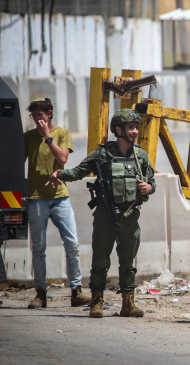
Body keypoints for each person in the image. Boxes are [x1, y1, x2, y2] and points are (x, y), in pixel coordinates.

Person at [48, 109, 155, 318]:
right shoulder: (102, 154)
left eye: (136, 127)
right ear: (118, 129)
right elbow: (79, 171)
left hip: (130, 215)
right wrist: (61, 174)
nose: (134, 131)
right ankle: (96, 302)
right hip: (105, 215)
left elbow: (152, 182)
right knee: (100, 261)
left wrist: (148, 188)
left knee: (128, 262)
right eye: (130, 127)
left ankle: (128, 304)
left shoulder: (140, 155)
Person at [23, 98, 90, 309]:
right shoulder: (28, 137)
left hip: (60, 197)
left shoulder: (61, 134)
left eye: (39, 116)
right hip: (36, 198)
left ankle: (76, 291)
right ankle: (40, 293)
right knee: (38, 248)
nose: (36, 120)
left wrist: (47, 137)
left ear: (49, 114)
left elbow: (62, 159)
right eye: (33, 117)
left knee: (72, 244)